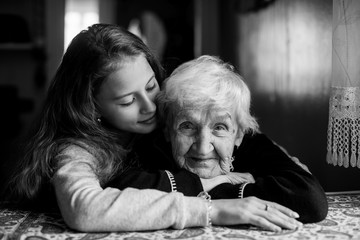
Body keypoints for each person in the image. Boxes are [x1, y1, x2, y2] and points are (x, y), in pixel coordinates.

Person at [6, 24, 302, 232]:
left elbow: (238, 138)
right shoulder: (77, 149)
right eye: (127, 101)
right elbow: (85, 209)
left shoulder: (162, 115)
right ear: (91, 105)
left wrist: (279, 159)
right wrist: (212, 205)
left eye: (150, 86)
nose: (150, 106)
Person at [110, 55, 328, 225]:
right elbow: (120, 189)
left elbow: (310, 200)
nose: (203, 147)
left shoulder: (252, 142)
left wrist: (218, 195)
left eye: (220, 127)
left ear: (239, 133)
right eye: (187, 126)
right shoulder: (154, 144)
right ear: (168, 130)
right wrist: (219, 185)